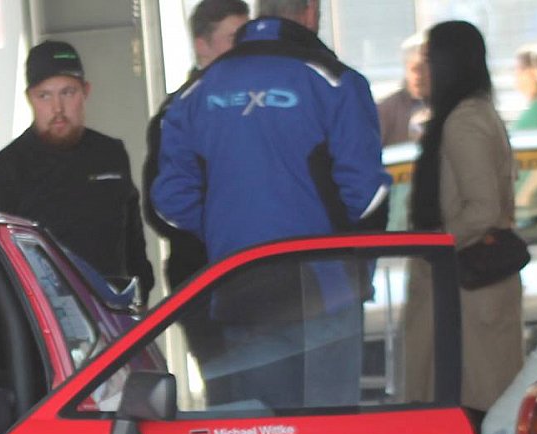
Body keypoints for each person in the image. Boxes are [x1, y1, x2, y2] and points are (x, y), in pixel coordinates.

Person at [151, 0, 389, 408]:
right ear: (310, 13)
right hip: (327, 287)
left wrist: (229, 230)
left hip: (239, 284)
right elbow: (367, 195)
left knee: (263, 430)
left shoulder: (194, 94)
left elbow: (171, 202)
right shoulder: (335, 81)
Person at [402, 23, 523, 427]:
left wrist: (435, 245)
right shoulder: (476, 112)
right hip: (468, 291)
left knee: (466, 414)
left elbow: (483, 209)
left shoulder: (463, 121)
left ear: (448, 64)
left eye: (429, 60)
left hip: (465, 292)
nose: (421, 71)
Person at [0, 40, 154, 302]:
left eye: (68, 93)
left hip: (112, 309)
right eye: (45, 96)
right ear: (30, 98)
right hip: (41, 315)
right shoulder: (1, 173)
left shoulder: (110, 154)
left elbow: (133, 240)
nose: (57, 108)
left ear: (86, 92)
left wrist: (142, 294)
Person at [142, 0, 250, 295]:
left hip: (260, 269)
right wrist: (221, 230)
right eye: (234, 38)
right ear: (202, 45)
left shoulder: (261, 104)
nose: (245, 47)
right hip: (201, 278)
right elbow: (159, 208)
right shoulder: (176, 114)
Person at [378, 35, 430, 147]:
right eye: (415, 69)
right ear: (406, 69)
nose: (420, 76)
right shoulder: (386, 110)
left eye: (425, 69)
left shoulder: (448, 106)